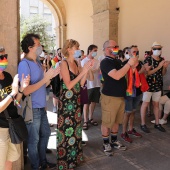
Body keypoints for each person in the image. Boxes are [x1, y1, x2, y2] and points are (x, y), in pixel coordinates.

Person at [18, 33, 60, 170]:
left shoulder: (37, 62)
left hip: (41, 107)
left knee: (46, 134)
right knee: (34, 140)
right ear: (30, 47)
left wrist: (51, 76)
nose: (41, 46)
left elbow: (43, 84)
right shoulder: (24, 64)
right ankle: (36, 166)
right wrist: (45, 79)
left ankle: (43, 163)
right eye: (38, 44)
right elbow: (25, 90)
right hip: (32, 108)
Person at [57, 39, 94, 170]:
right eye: (76, 47)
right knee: (67, 132)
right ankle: (66, 163)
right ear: (69, 49)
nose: (79, 49)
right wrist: (82, 72)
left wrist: (86, 69)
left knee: (76, 131)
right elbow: (69, 85)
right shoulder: (63, 63)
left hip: (76, 101)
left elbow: (82, 84)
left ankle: (75, 159)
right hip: (66, 103)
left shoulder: (77, 63)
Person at [100, 40, 137, 156]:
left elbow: (126, 72)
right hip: (110, 97)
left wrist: (132, 65)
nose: (116, 48)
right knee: (107, 121)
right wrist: (129, 64)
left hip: (120, 96)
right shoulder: (105, 62)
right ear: (107, 49)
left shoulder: (116, 61)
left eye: (117, 46)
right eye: (113, 47)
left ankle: (114, 140)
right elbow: (117, 75)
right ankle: (106, 142)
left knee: (117, 120)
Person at [0, 46, 30, 170]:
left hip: (11, 127)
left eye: (5, 56)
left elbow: (15, 103)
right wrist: (12, 93)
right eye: (1, 57)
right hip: (1, 131)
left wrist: (21, 89)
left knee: (9, 161)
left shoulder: (7, 76)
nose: (4, 60)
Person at [140, 41, 168, 133]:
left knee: (156, 104)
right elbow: (147, 73)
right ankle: (143, 124)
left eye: (159, 48)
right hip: (148, 86)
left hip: (158, 85)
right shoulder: (148, 59)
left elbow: (163, 74)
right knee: (145, 104)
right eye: (155, 49)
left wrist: (164, 67)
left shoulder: (162, 59)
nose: (157, 50)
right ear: (152, 49)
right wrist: (159, 66)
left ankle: (157, 123)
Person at [121, 45, 145, 143]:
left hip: (138, 91)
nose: (136, 53)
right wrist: (133, 69)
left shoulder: (140, 63)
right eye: (134, 51)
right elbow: (123, 78)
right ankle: (124, 132)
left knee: (134, 111)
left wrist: (142, 70)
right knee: (127, 112)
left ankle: (131, 129)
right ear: (129, 53)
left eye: (137, 51)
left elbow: (143, 76)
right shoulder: (125, 64)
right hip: (128, 92)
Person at [81, 45, 100, 129]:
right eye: (94, 50)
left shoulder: (97, 61)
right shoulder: (84, 61)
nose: (96, 52)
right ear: (89, 51)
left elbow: (98, 71)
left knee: (94, 102)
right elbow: (84, 72)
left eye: (96, 50)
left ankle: (90, 117)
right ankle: (85, 120)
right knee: (86, 103)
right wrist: (92, 70)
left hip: (96, 84)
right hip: (88, 85)